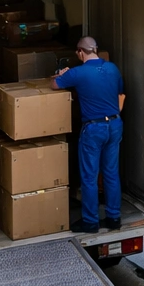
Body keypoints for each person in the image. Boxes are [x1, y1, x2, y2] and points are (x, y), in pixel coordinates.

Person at [53, 36, 124, 233]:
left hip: (94, 129)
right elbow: (120, 93)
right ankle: (113, 218)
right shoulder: (112, 68)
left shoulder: (77, 73)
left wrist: (62, 73)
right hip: (115, 124)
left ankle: (91, 221)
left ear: (80, 52)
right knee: (111, 173)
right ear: (96, 50)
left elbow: (55, 85)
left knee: (89, 176)